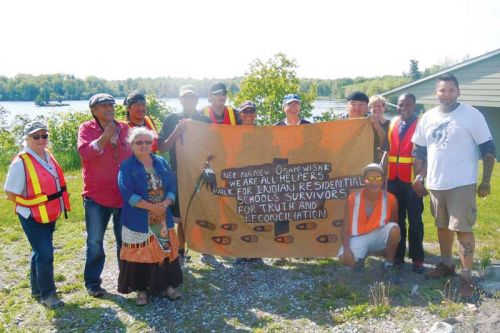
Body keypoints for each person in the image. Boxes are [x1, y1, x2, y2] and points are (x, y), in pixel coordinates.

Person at [412, 74, 496, 297]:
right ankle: (446, 264)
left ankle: (467, 276)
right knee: (442, 226)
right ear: (436, 93)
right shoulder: (428, 117)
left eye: (451, 90)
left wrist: (486, 181)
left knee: (463, 229)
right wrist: (419, 178)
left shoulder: (471, 115)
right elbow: (418, 150)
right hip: (436, 183)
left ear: (458, 91)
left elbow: (488, 150)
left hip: (462, 183)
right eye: (442, 90)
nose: (446, 94)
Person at [4, 121, 70, 308]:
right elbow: (10, 193)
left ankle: (36, 289)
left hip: (49, 212)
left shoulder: (47, 155)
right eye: (36, 136)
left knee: (39, 251)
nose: (41, 139)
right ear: (26, 138)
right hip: (31, 216)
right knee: (45, 253)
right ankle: (48, 295)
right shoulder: (20, 162)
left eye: (44, 135)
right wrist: (32, 204)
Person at [117, 127, 183, 305]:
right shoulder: (126, 166)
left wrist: (165, 204)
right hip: (138, 218)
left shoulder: (161, 162)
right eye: (139, 142)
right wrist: (151, 207)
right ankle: (142, 290)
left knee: (165, 250)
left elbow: (171, 186)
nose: (144, 145)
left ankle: (167, 285)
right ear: (131, 145)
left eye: (147, 142)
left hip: (162, 214)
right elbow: (127, 192)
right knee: (141, 254)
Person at [78, 93, 132, 297]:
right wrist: (105, 137)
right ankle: (93, 282)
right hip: (96, 196)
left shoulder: (124, 128)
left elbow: (133, 154)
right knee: (95, 241)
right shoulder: (86, 128)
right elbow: (85, 154)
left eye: (111, 105)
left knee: (124, 240)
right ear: (94, 110)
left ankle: (126, 280)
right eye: (103, 106)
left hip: (122, 195)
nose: (109, 108)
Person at [158, 84, 211, 265]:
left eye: (192, 97)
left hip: (201, 173)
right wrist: (177, 132)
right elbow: (162, 147)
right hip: (178, 172)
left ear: (197, 100)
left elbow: (214, 145)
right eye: (185, 98)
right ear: (180, 100)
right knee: (182, 214)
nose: (189, 101)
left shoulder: (204, 119)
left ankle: (205, 248)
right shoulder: (171, 119)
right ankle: (180, 251)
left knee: (203, 210)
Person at [338, 163, 401, 283]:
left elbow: (394, 222)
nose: (374, 182)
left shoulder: (391, 199)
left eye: (378, 179)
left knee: (394, 229)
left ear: (383, 181)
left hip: (378, 235)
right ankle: (360, 259)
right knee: (344, 260)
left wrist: (387, 247)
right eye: (370, 179)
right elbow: (345, 227)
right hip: (359, 237)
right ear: (364, 180)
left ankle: (388, 264)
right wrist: (346, 248)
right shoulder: (352, 198)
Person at [386, 93, 424, 273]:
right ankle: (399, 256)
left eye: (407, 105)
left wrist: (422, 177)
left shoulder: (422, 124)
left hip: (412, 181)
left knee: (415, 221)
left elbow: (427, 154)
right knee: (397, 220)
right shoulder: (393, 122)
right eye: (400, 105)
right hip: (393, 180)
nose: (403, 108)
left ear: (414, 105)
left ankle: (417, 258)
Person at [233, 100, 264, 265]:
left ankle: (256, 251)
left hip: (259, 178)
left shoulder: (263, 132)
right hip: (239, 178)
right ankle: (241, 251)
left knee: (257, 215)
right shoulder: (231, 132)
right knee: (240, 215)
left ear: (256, 114)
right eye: (245, 112)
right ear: (240, 114)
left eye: (251, 112)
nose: (249, 115)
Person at [368, 95, 390, 163]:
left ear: (384, 108)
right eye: (374, 106)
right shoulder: (365, 124)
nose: (377, 108)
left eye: (380, 106)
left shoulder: (391, 124)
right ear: (369, 109)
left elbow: (387, 144)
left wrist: (377, 125)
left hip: (382, 161)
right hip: (366, 159)